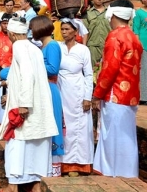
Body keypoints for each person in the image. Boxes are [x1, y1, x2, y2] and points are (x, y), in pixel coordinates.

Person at [0, 17, 58, 192]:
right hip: (39, 104)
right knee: (35, 145)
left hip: (26, 105)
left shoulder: (19, 46)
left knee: (16, 143)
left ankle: (12, 185)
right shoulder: (34, 48)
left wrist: (23, 103)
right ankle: (35, 185)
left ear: (12, 34)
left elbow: (27, 75)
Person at [91, 0, 143, 178]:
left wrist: (97, 94)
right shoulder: (134, 36)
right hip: (130, 94)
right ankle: (128, 174)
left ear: (112, 14)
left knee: (112, 136)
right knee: (127, 136)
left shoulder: (115, 36)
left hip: (115, 94)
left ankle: (113, 174)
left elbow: (109, 69)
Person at [57, 18, 94, 176]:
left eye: (67, 29)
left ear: (75, 31)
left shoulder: (83, 50)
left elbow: (88, 75)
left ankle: (77, 164)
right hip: (60, 91)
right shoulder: (57, 47)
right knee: (63, 127)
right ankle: (62, 163)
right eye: (62, 29)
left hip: (78, 93)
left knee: (78, 128)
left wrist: (87, 97)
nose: (64, 32)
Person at [29, 16, 64, 177]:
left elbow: (53, 69)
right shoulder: (43, 47)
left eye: (32, 28)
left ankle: (53, 168)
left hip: (50, 88)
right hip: (43, 88)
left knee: (52, 123)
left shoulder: (52, 46)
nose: (31, 31)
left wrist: (33, 63)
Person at [83, 0, 110, 68]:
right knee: (92, 69)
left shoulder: (110, 12)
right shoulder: (87, 13)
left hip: (108, 45)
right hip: (93, 47)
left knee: (108, 69)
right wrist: (84, 47)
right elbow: (85, 31)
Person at [133, 0, 147, 104]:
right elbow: (136, 29)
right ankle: (143, 97)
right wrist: (139, 45)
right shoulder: (139, 13)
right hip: (143, 44)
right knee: (144, 72)